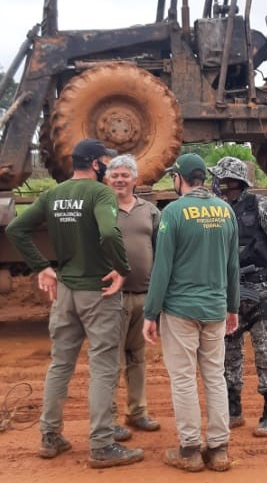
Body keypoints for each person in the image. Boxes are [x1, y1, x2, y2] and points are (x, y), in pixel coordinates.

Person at [5, 138, 144, 469]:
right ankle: (101, 444)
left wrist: (43, 267)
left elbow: (16, 229)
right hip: (98, 292)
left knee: (61, 364)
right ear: (95, 163)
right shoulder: (101, 194)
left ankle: (50, 436)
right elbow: (110, 234)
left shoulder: (53, 195)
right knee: (103, 366)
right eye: (106, 163)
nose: (109, 169)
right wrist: (122, 270)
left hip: (65, 291)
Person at [142, 153, 239, 473]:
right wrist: (232, 307)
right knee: (214, 376)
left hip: (180, 310)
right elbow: (232, 266)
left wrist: (150, 312)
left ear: (179, 178)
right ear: (204, 178)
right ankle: (219, 449)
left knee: (183, 379)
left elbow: (162, 268)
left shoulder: (173, 212)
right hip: (214, 309)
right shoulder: (226, 211)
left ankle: (189, 450)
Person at [208, 156, 267, 438]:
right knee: (228, 351)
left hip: (258, 289)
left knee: (264, 350)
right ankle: (234, 409)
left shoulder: (262, 206)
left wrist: (265, 275)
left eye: (221, 179)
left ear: (233, 182)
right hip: (228, 289)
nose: (216, 183)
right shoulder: (215, 210)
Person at [104, 154, 161, 442]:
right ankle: (109, 420)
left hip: (144, 297)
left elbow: (159, 251)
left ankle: (137, 412)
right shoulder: (101, 211)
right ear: (106, 179)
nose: (120, 180)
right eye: (114, 175)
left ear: (135, 179)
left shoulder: (150, 211)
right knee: (112, 362)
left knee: (137, 358)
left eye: (125, 175)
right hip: (112, 299)